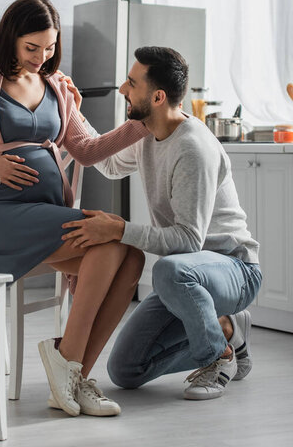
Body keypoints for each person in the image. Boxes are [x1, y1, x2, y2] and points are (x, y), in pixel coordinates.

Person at [0, 0, 148, 417]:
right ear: (9, 38)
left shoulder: (57, 86)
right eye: (32, 48)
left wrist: (143, 122)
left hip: (48, 213)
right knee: (114, 240)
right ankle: (70, 368)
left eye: (50, 48)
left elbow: (87, 149)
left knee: (130, 256)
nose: (41, 58)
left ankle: (73, 371)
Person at [61, 45, 262, 401]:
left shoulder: (192, 149)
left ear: (156, 96)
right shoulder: (144, 134)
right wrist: (71, 109)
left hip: (234, 269)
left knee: (168, 270)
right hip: (188, 277)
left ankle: (218, 357)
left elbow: (188, 241)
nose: (123, 89)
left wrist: (120, 229)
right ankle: (228, 328)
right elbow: (105, 164)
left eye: (131, 83)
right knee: (125, 371)